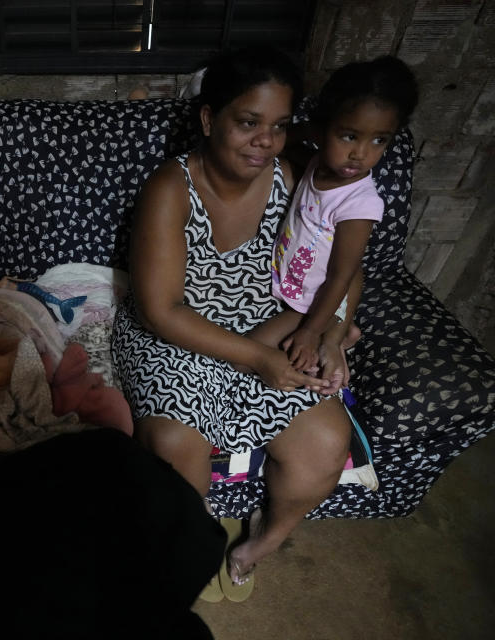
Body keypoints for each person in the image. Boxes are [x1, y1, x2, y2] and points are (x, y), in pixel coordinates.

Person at [110, 47, 356, 599]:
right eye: (248, 122)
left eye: (278, 127)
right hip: (177, 336)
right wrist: (260, 360)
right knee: (175, 445)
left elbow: (344, 262)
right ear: (208, 118)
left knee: (324, 439)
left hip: (266, 324)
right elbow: (161, 311)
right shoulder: (169, 190)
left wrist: (333, 331)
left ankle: (256, 546)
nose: (264, 141)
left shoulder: (293, 178)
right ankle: (186, 546)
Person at [258, 56, 419, 391]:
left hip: (316, 302)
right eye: (349, 136)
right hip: (290, 285)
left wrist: (309, 332)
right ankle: (343, 331)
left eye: (379, 140)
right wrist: (302, 132)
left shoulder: (359, 205)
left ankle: (334, 335)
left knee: (250, 350)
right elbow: (286, 143)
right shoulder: (316, 164)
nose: (360, 153)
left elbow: (342, 276)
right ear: (322, 129)